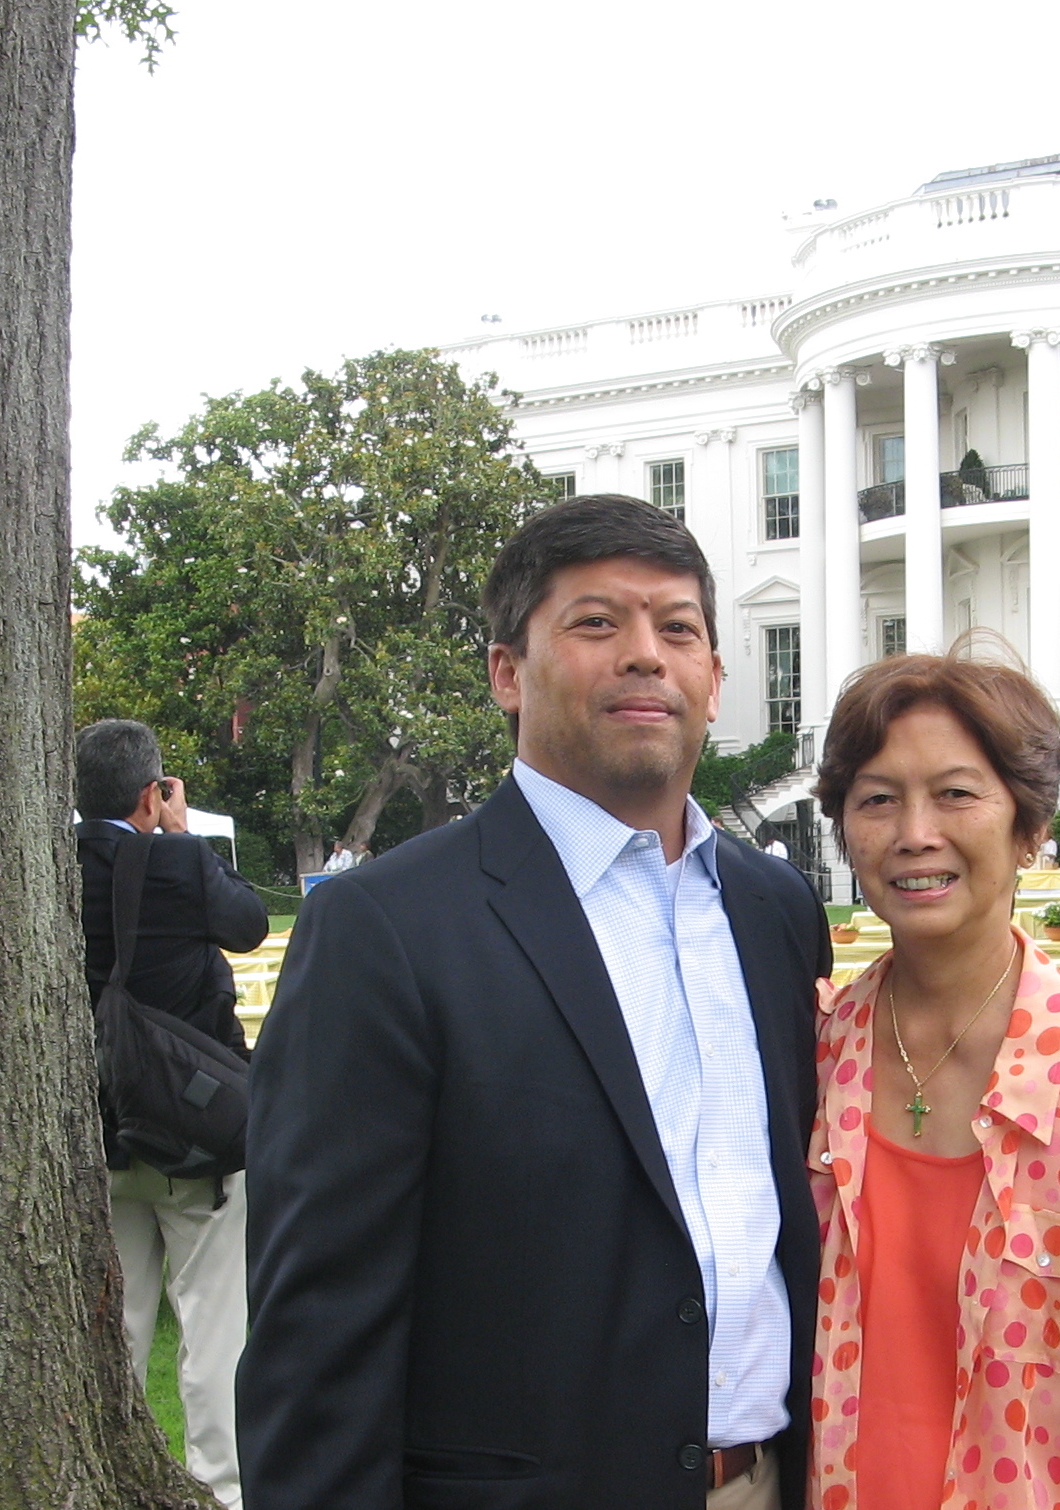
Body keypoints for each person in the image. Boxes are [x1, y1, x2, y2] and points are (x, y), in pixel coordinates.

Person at [240, 496, 830, 1510]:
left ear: (715, 679)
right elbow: (317, 1336)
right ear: (507, 672)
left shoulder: (776, 913)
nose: (646, 654)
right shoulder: (386, 929)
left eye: (677, 628)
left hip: (769, 1482)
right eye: (596, 622)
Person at [807, 650, 1060, 1510]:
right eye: (878, 799)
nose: (916, 832)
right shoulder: (817, 1047)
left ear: (1030, 827)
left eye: (956, 794)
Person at [74, 720, 269, 1509]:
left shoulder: (52, 867)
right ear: (152, 791)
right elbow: (249, 924)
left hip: (101, 1124)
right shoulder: (181, 860)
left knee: (117, 1324)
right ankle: (219, 1491)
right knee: (214, 1327)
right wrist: (180, 835)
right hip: (197, 1125)